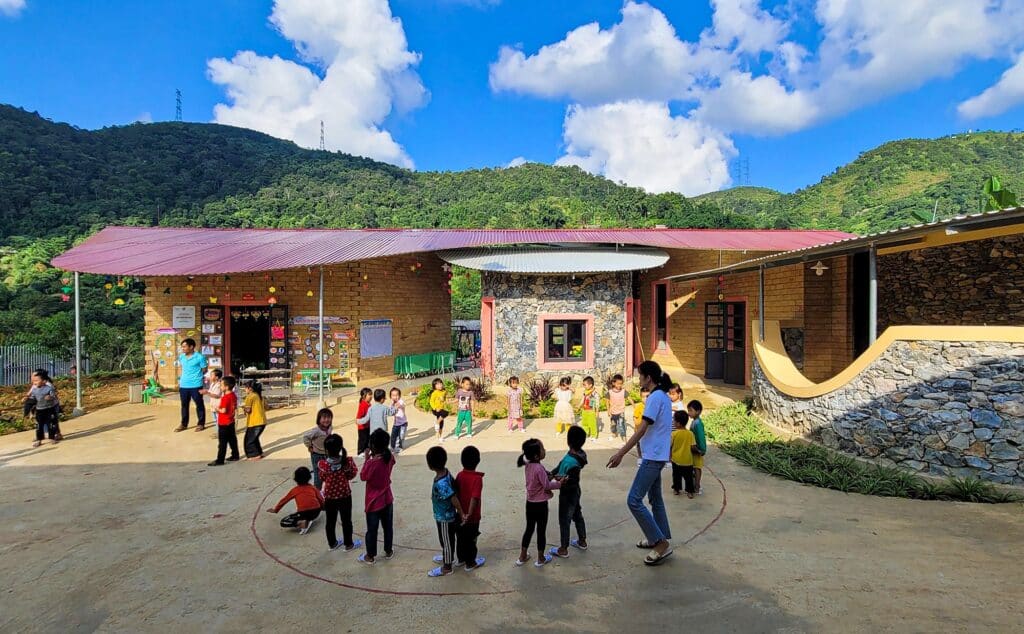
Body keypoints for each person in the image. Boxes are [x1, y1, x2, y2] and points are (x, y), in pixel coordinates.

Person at [606, 360, 674, 566]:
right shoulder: (662, 396)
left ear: (649, 378)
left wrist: (620, 453)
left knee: (634, 500)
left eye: (640, 376)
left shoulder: (655, 398)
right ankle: (657, 537)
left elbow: (643, 428)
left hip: (653, 457)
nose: (638, 379)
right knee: (655, 499)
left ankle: (660, 543)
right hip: (656, 454)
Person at [515, 438, 560, 568]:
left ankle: (522, 556)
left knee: (529, 529)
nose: (544, 451)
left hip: (530, 503)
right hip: (541, 505)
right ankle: (540, 558)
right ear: (536, 455)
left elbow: (541, 478)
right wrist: (560, 484)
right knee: (541, 530)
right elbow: (546, 485)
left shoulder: (528, 464)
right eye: (542, 449)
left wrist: (549, 474)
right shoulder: (539, 468)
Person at [549, 426, 588, 559]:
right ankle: (582, 541)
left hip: (568, 493)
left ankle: (563, 549)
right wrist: (552, 473)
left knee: (564, 520)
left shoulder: (572, 461)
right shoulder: (576, 454)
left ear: (568, 440)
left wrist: (559, 480)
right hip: (575, 492)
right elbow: (560, 466)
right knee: (577, 515)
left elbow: (571, 479)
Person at [426, 446, 465, 577]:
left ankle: (447, 566)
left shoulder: (441, 482)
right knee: (447, 540)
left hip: (445, 517)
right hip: (445, 514)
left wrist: (461, 512)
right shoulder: (445, 473)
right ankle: (447, 556)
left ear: (430, 465)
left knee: (446, 541)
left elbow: (453, 497)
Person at [318, 434, 361, 552]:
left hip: (330, 497)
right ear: (340, 447)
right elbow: (352, 475)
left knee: (330, 521)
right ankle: (349, 544)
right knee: (346, 520)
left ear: (326, 450)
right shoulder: (347, 461)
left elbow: (322, 477)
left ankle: (332, 543)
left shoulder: (323, 465)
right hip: (344, 495)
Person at [358, 429, 396, 565]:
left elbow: (363, 476)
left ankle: (370, 555)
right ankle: (388, 550)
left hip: (374, 502)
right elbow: (393, 461)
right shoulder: (389, 457)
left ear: (373, 446)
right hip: (387, 498)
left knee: (372, 530)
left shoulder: (372, 463)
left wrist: (367, 457)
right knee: (388, 527)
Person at [266, 466, 323, 534]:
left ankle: (301, 522)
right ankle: (307, 520)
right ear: (309, 478)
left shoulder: (295, 490)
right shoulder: (313, 488)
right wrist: (322, 507)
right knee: (309, 513)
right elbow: (321, 498)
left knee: (284, 522)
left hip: (303, 513)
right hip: (316, 512)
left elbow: (284, 500)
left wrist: (276, 510)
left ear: (295, 479)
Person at [455, 446, 485, 571]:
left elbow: (455, 494)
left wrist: (461, 513)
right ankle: (470, 563)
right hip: (472, 517)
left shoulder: (460, 475)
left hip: (460, 514)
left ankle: (461, 559)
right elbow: (474, 498)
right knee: (471, 540)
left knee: (461, 538)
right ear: (477, 461)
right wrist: (469, 514)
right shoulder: (477, 479)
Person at [173, 338, 208, 433]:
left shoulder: (200, 357)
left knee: (199, 404)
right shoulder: (182, 357)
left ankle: (201, 424)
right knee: (184, 405)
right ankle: (183, 424)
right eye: (182, 347)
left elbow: (205, 369)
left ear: (191, 347)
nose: (183, 348)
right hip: (184, 385)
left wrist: (197, 376)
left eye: (184, 346)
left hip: (196, 385)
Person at [208, 376, 239, 466]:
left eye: (221, 385)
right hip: (231, 421)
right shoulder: (233, 395)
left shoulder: (225, 398)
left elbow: (223, 410)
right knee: (232, 439)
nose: (220, 387)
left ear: (226, 387)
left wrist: (217, 408)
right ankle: (235, 455)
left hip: (224, 422)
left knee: (222, 442)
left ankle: (220, 460)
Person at [27, 370, 59, 447]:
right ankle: (39, 439)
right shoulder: (34, 389)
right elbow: (33, 398)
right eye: (34, 381)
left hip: (49, 409)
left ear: (44, 381)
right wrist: (27, 399)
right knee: (39, 426)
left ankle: (52, 438)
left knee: (50, 424)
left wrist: (50, 397)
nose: (34, 382)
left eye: (37, 380)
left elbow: (54, 396)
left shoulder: (49, 388)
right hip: (39, 410)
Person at [303, 408, 333, 487]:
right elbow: (305, 437)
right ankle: (317, 490)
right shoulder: (316, 431)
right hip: (317, 455)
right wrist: (309, 446)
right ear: (319, 419)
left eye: (329, 417)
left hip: (327, 454)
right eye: (324, 418)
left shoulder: (330, 428)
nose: (326, 420)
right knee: (318, 474)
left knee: (327, 472)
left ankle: (327, 488)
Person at [670, 411, 696, 498]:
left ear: (678, 423)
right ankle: (690, 492)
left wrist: (669, 456)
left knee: (676, 476)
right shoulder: (690, 434)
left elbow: (670, 446)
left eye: (674, 420)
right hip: (688, 460)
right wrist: (698, 451)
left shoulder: (674, 434)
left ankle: (676, 489)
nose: (673, 422)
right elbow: (693, 447)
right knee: (688, 477)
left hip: (676, 459)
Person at [241, 380, 266, 460]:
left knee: (249, 440)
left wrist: (243, 407)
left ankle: (254, 455)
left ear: (250, 388)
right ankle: (259, 452)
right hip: (261, 421)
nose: (245, 389)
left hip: (255, 422)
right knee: (254, 439)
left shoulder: (250, 396)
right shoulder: (258, 396)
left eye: (245, 388)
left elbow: (248, 410)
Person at [687, 400, 708, 496]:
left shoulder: (697, 423)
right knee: (694, 467)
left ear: (698, 411)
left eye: (691, 410)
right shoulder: (694, 422)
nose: (689, 413)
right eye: (688, 410)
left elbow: (700, 437)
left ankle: (697, 486)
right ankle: (695, 484)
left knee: (697, 468)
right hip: (694, 449)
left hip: (697, 450)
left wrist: (702, 449)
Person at [579, 376, 599, 441]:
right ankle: (585, 434)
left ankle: (594, 435)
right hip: (584, 410)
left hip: (591, 411)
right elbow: (583, 399)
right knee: (584, 423)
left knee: (592, 424)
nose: (584, 386)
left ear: (590, 385)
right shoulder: (585, 392)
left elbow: (597, 403)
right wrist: (579, 405)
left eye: (585, 385)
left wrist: (597, 412)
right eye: (583, 385)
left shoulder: (595, 393)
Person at [607, 374, 627, 442]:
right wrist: (608, 410)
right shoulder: (610, 392)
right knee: (613, 424)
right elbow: (607, 402)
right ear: (613, 383)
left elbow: (629, 398)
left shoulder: (623, 391)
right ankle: (614, 433)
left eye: (621, 384)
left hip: (621, 411)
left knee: (621, 425)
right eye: (618, 384)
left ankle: (624, 437)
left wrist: (634, 405)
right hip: (613, 412)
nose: (620, 385)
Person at [390, 387, 408, 453]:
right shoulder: (392, 404)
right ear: (391, 396)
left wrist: (399, 405)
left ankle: (399, 447)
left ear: (399, 396)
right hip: (396, 423)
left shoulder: (401, 401)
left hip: (403, 423)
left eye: (397, 395)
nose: (395, 397)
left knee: (401, 435)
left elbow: (403, 405)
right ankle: (392, 446)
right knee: (393, 435)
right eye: (393, 395)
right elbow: (391, 412)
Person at [355, 388, 373, 455]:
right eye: (369, 394)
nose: (371, 396)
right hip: (362, 427)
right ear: (364, 396)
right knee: (362, 439)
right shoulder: (363, 405)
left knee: (367, 439)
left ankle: (366, 450)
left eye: (371, 394)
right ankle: (360, 452)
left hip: (367, 425)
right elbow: (359, 417)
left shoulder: (368, 404)